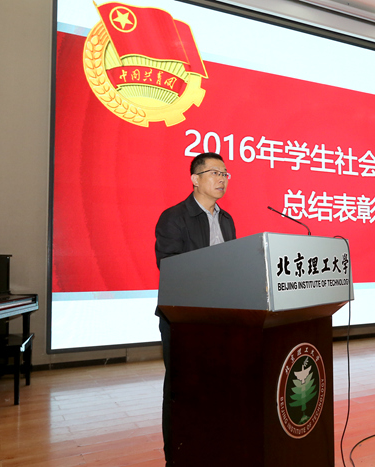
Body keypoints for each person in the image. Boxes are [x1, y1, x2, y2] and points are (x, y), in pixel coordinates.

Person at [153, 152, 236, 465]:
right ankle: (176, 456)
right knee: (180, 389)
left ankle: (211, 448)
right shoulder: (174, 217)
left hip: (220, 318)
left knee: (216, 386)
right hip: (183, 319)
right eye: (215, 173)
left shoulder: (226, 220)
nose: (222, 179)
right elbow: (169, 266)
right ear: (195, 179)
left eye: (225, 174)